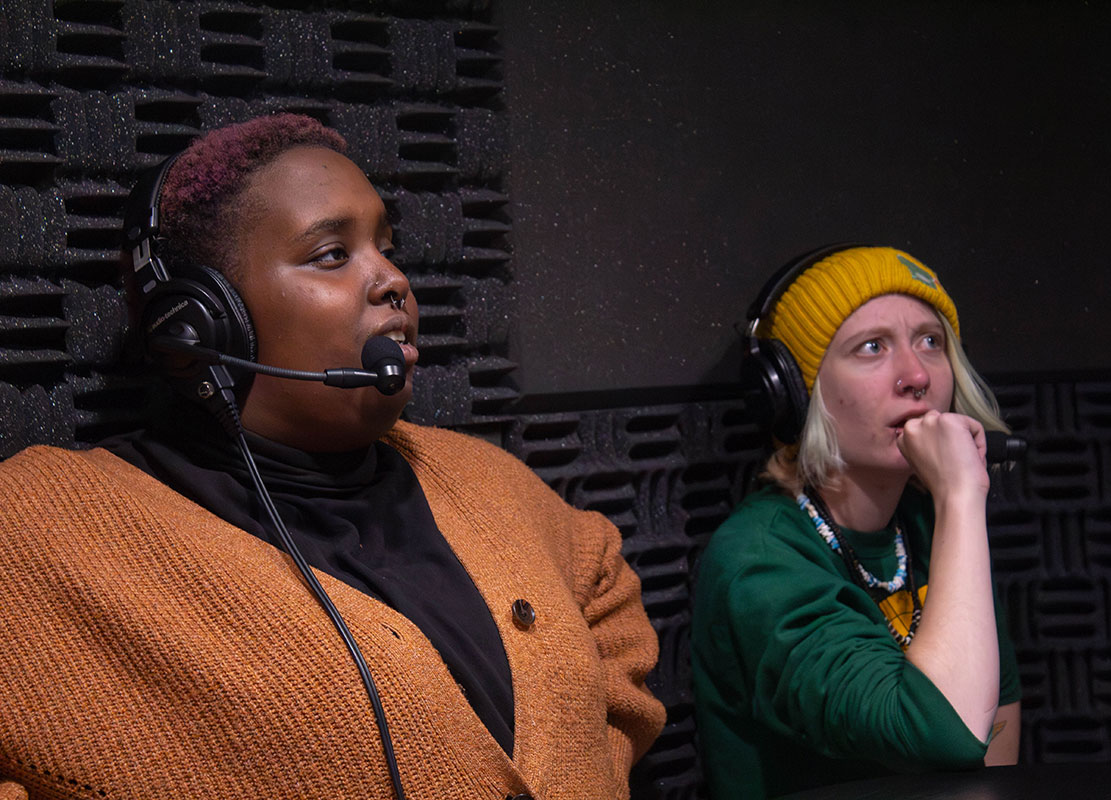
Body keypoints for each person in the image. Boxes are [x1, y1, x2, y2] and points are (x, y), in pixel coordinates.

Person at [0, 114, 665, 799]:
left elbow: (604, 593)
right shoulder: (38, 529)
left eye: (385, 245)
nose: (393, 280)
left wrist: (585, 768)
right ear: (199, 322)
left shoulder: (482, 477)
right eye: (331, 255)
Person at [691, 245, 1021, 797]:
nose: (916, 375)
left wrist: (953, 508)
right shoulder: (760, 561)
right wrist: (963, 495)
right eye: (872, 347)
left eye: (930, 342)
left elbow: (996, 745)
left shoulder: (932, 525)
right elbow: (947, 735)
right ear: (794, 393)